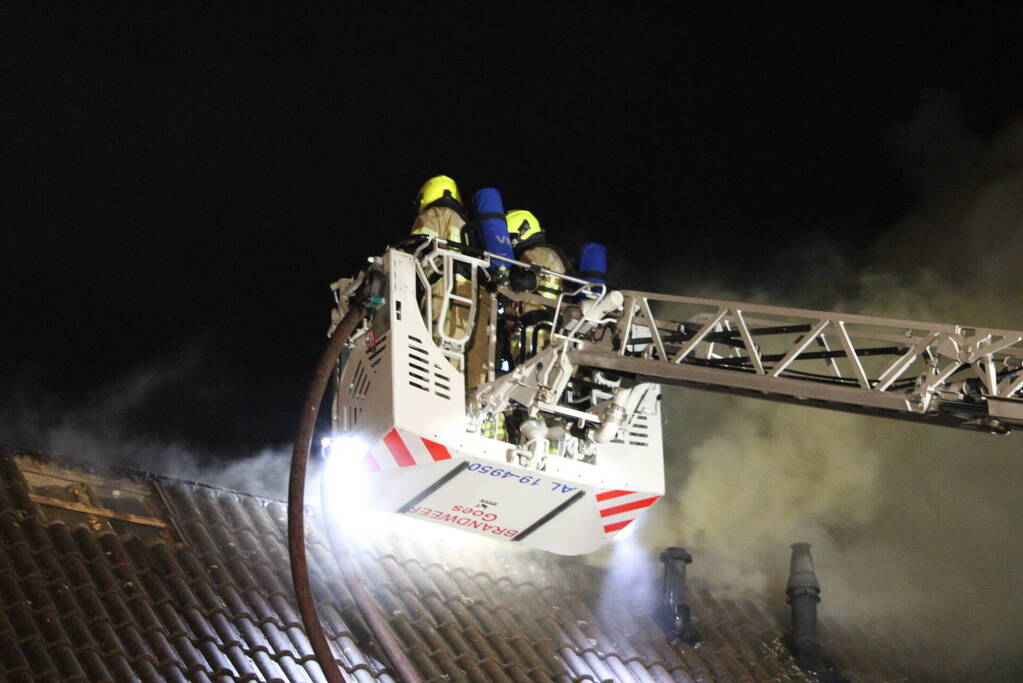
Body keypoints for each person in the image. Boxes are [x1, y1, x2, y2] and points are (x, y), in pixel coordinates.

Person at [409, 175, 474, 367]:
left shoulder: (433, 214)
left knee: (433, 347)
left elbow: (414, 249)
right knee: (456, 352)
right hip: (468, 295)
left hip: (440, 290)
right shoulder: (466, 224)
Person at [505, 210, 571, 361]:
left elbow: (524, 281)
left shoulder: (535, 253)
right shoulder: (553, 254)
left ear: (519, 234)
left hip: (536, 332)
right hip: (551, 330)